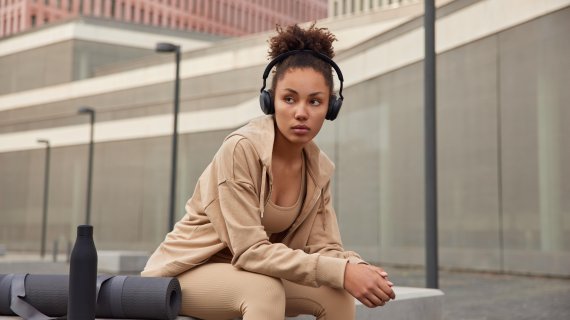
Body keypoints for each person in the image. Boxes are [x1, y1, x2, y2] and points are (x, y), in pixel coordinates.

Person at [142, 24, 395, 320]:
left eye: (315, 101)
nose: (301, 112)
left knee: (335, 294)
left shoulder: (318, 168)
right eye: (289, 99)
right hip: (184, 274)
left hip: (247, 272)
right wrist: (341, 271)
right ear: (270, 100)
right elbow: (250, 251)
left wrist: (355, 268)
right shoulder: (241, 149)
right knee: (264, 290)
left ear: (330, 107)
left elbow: (325, 248)